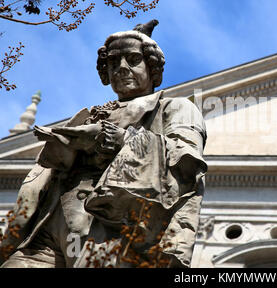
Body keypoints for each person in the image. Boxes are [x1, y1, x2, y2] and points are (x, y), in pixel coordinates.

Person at [0, 20, 207, 268]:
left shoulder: (176, 108)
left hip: (111, 226)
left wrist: (121, 140)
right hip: (48, 223)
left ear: (152, 68)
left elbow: (185, 163)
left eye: (133, 59)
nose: (121, 67)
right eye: (112, 62)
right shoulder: (87, 114)